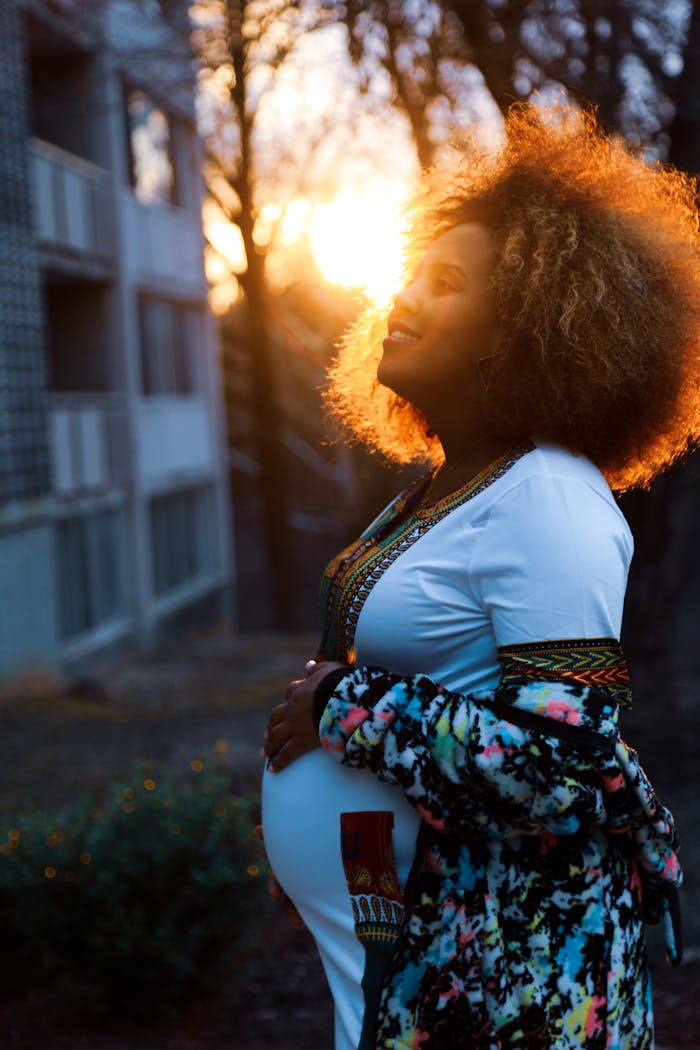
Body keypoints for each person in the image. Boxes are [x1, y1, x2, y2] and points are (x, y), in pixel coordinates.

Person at [260, 103, 699, 1050]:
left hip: (510, 979)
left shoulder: (549, 499)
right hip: (420, 945)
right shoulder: (445, 487)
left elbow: (558, 768)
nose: (403, 298)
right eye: (411, 273)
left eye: (446, 283)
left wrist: (343, 709)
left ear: (526, 326)